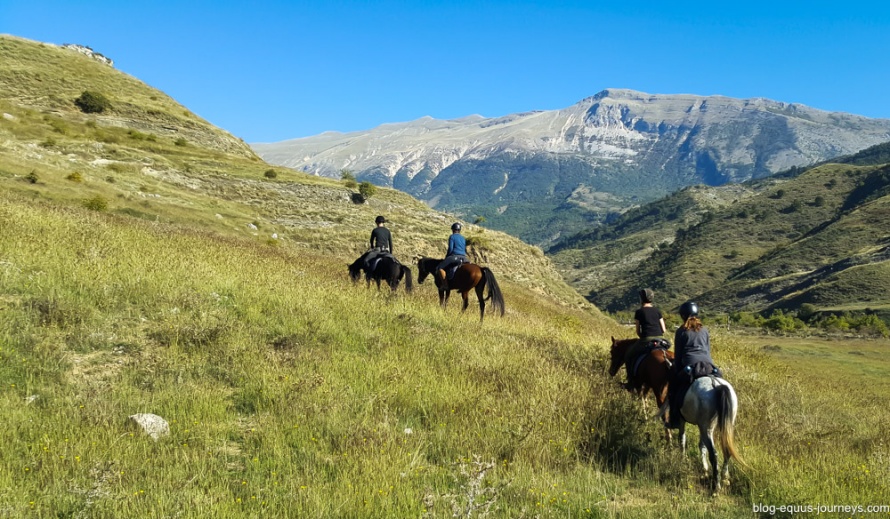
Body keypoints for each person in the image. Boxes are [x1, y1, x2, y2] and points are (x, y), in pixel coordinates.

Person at [666, 301, 721, 429]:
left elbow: (678, 355)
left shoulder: (681, 331)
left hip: (691, 367)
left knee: (673, 388)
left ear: (682, 315)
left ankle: (674, 419)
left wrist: (677, 371)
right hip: (708, 365)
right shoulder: (704, 330)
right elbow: (707, 350)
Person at [623, 288, 667, 389]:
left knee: (628, 355)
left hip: (646, 339)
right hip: (660, 339)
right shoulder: (657, 311)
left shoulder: (639, 312)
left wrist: (642, 337)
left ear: (641, 299)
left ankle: (631, 382)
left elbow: (638, 331)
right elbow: (663, 329)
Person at [436, 222, 468, 289]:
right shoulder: (463, 238)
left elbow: (450, 248)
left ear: (453, 229)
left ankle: (445, 285)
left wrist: (447, 256)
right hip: (464, 258)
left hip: (455, 256)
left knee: (440, 268)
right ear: (459, 230)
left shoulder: (452, 237)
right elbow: (465, 249)